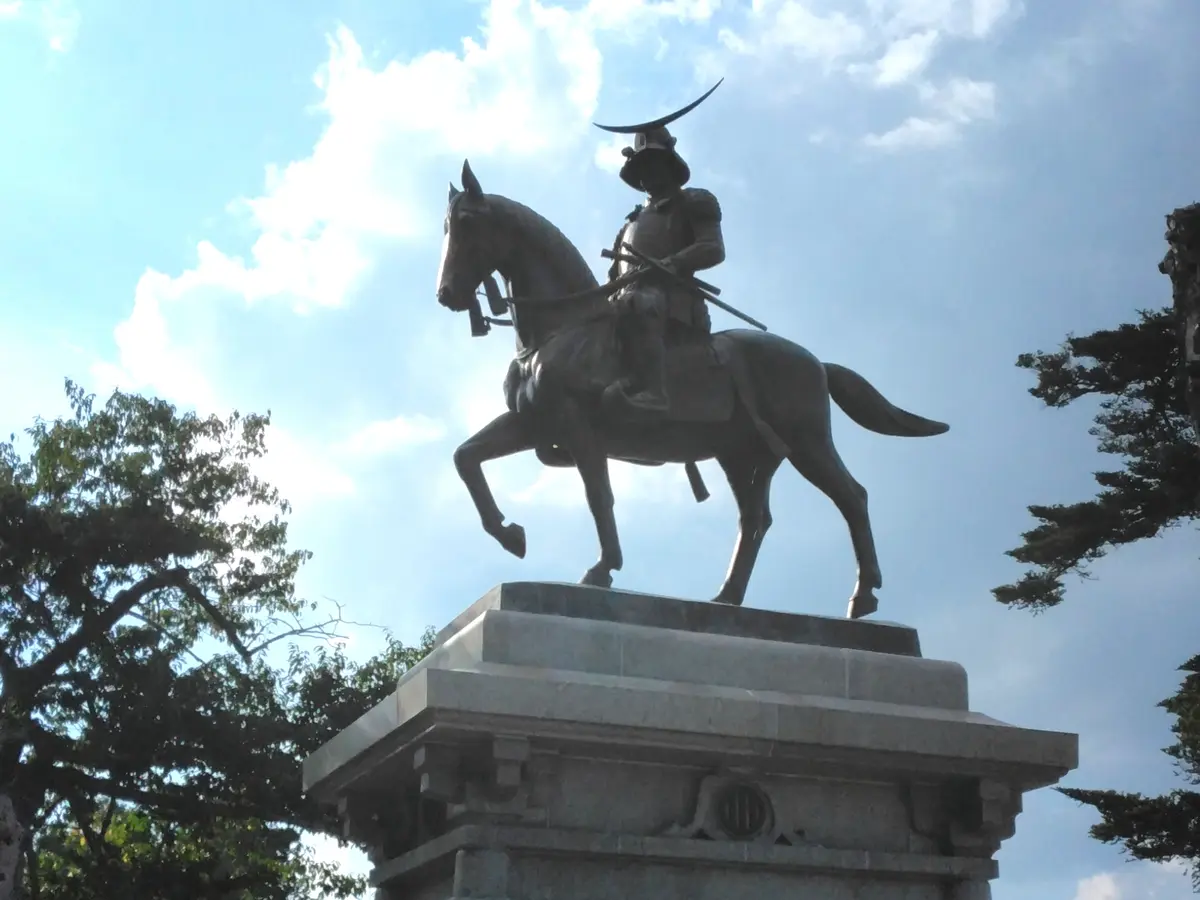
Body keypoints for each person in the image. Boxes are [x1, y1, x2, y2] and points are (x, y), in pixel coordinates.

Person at [601, 109, 726, 416]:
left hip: (672, 303)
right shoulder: (629, 224)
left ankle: (655, 392)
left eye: (651, 164)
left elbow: (712, 248)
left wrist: (672, 263)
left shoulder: (695, 201)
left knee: (641, 303)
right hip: (626, 304)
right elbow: (612, 278)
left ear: (668, 165)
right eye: (639, 167)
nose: (646, 173)